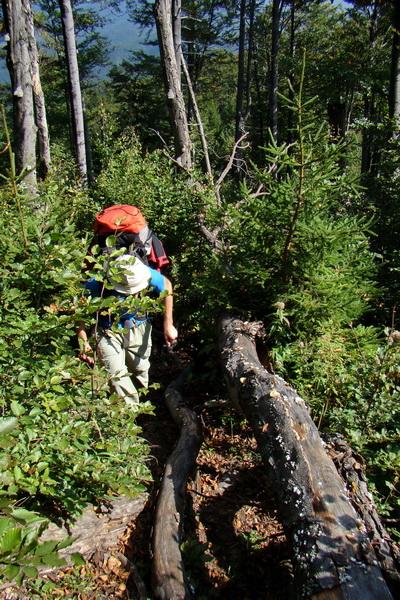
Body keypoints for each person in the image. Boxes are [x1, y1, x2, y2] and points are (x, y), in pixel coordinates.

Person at [76, 253, 178, 407]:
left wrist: (168, 324)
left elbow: (167, 286)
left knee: (140, 370)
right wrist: (83, 341)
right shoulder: (95, 284)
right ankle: (129, 418)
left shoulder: (145, 273)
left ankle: (137, 406)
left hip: (139, 326)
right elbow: (79, 313)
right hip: (107, 329)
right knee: (117, 377)